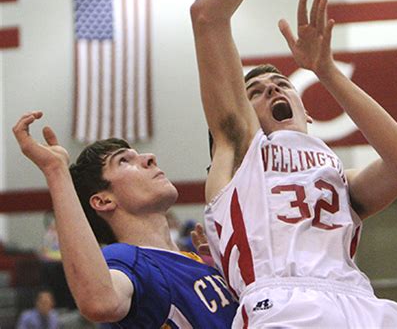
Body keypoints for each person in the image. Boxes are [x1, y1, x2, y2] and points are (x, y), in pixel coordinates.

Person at [190, 0, 397, 328]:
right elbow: (208, 14)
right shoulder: (239, 148)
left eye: (280, 83)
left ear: (307, 111)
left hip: (361, 303)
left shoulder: (337, 178)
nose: (273, 87)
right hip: (283, 302)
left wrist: (327, 72)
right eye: (254, 91)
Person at [12, 112, 238, 328]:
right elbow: (99, 302)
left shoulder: (196, 260)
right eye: (123, 161)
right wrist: (56, 171)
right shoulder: (126, 258)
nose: (150, 158)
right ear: (103, 201)